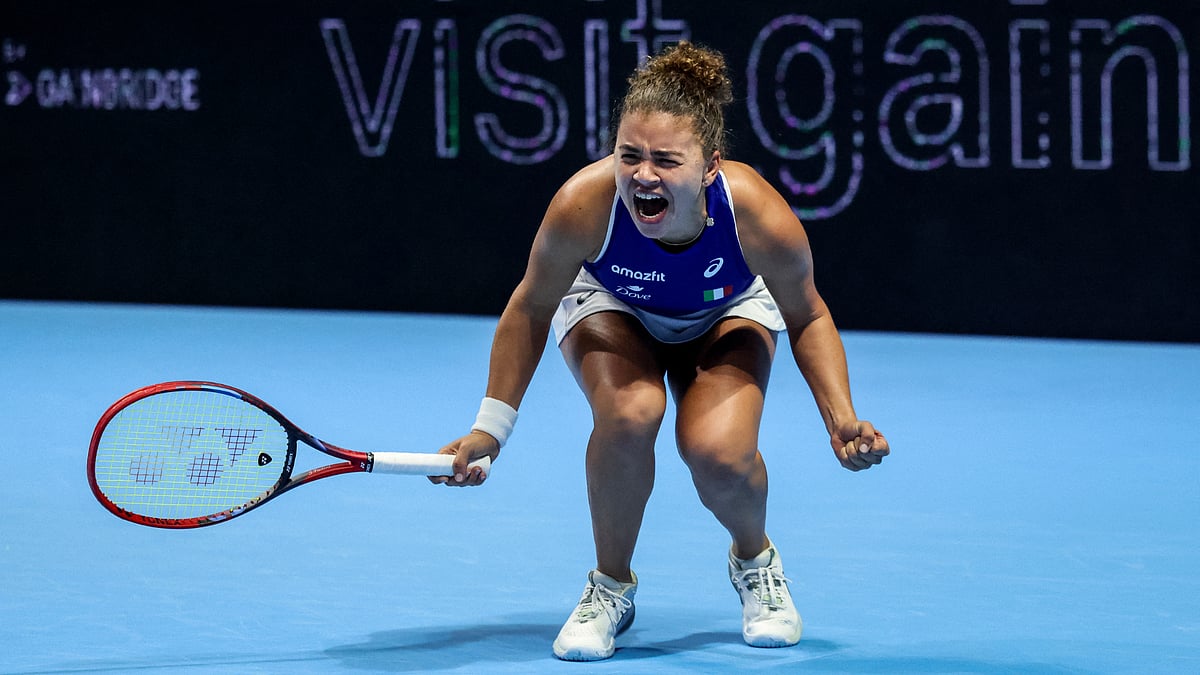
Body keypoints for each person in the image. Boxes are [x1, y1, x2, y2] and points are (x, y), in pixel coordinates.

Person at [432, 41, 890, 661]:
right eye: (629, 155)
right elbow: (532, 306)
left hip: (725, 312)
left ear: (710, 167)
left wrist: (840, 419)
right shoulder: (584, 205)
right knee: (631, 412)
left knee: (718, 455)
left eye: (666, 160)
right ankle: (610, 586)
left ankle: (755, 561)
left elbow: (807, 312)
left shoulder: (755, 214)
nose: (642, 175)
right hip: (613, 306)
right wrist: (491, 429)